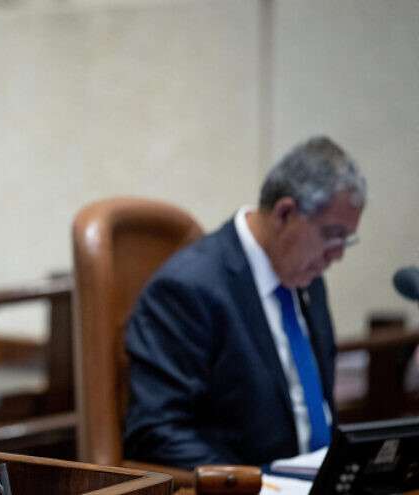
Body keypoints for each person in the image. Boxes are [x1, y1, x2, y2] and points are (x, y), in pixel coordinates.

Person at [123, 136, 366, 469]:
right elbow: (156, 432)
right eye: (332, 234)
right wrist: (253, 485)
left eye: (346, 239)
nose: (337, 254)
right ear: (285, 213)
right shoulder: (189, 287)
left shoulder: (307, 276)